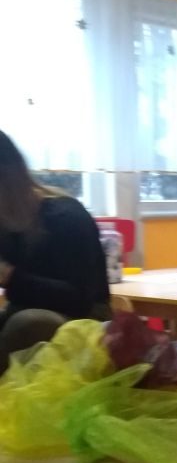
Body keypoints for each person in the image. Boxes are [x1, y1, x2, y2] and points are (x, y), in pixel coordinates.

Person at [0, 130, 111, 375]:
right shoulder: (6, 223)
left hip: (83, 320)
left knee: (29, 323)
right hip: (22, 312)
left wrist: (9, 276)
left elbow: (79, 300)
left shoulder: (65, 216)